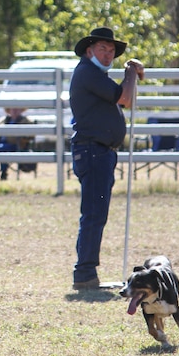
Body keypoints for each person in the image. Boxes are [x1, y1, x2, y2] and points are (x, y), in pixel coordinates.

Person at [68, 27, 144, 290]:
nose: (109, 53)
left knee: (95, 212)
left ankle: (86, 271)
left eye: (112, 50)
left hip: (98, 151)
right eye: (103, 48)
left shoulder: (93, 74)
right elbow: (125, 98)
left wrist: (129, 75)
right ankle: (85, 272)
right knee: (94, 213)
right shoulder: (88, 73)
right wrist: (131, 72)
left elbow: (124, 98)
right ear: (90, 50)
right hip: (93, 151)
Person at [0, 107, 32, 180]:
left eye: (16, 109)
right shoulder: (4, 119)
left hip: (14, 144)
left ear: (21, 111)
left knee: (3, 149)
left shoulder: (25, 120)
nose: (14, 111)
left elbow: (31, 135)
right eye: (12, 109)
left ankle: (4, 172)